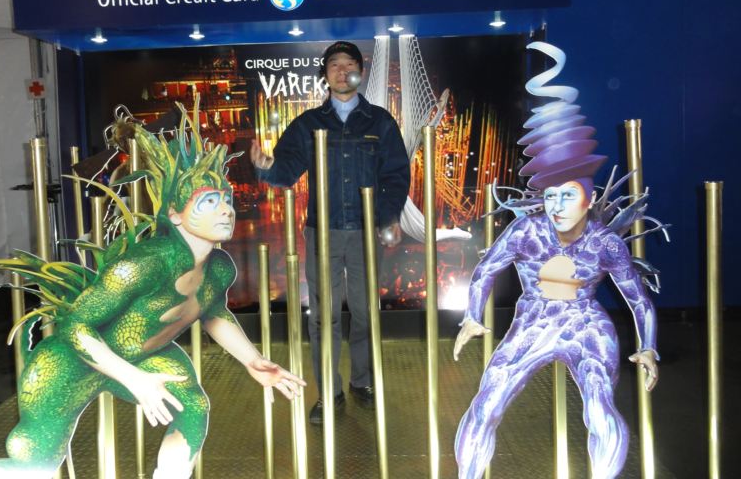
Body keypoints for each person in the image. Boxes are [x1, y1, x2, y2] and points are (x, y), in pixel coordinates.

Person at [0, 105, 305, 479]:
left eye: (226, 200)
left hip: (147, 357)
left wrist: (252, 360)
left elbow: (214, 313)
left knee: (193, 408)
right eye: (209, 202)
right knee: (33, 467)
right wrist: (133, 379)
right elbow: (75, 327)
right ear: (175, 214)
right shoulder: (146, 264)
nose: (226, 210)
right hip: (70, 363)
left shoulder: (218, 268)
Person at [453, 42, 661, 479]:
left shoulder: (605, 243)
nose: (558, 205)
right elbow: (488, 268)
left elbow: (637, 299)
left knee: (599, 405)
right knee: (486, 402)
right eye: (550, 195)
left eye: (568, 194)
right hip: (532, 321)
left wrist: (647, 346)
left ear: (588, 197)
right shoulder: (527, 231)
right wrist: (472, 315)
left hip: (586, 324)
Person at [250, 41, 410, 424]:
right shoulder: (308, 124)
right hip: (322, 231)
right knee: (324, 317)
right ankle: (329, 392)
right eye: (334, 65)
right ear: (324, 75)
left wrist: (385, 218)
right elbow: (286, 170)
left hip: (365, 232)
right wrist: (266, 167)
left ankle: (363, 382)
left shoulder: (380, 122)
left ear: (360, 73)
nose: (341, 71)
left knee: (365, 313)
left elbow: (396, 176)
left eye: (349, 64)